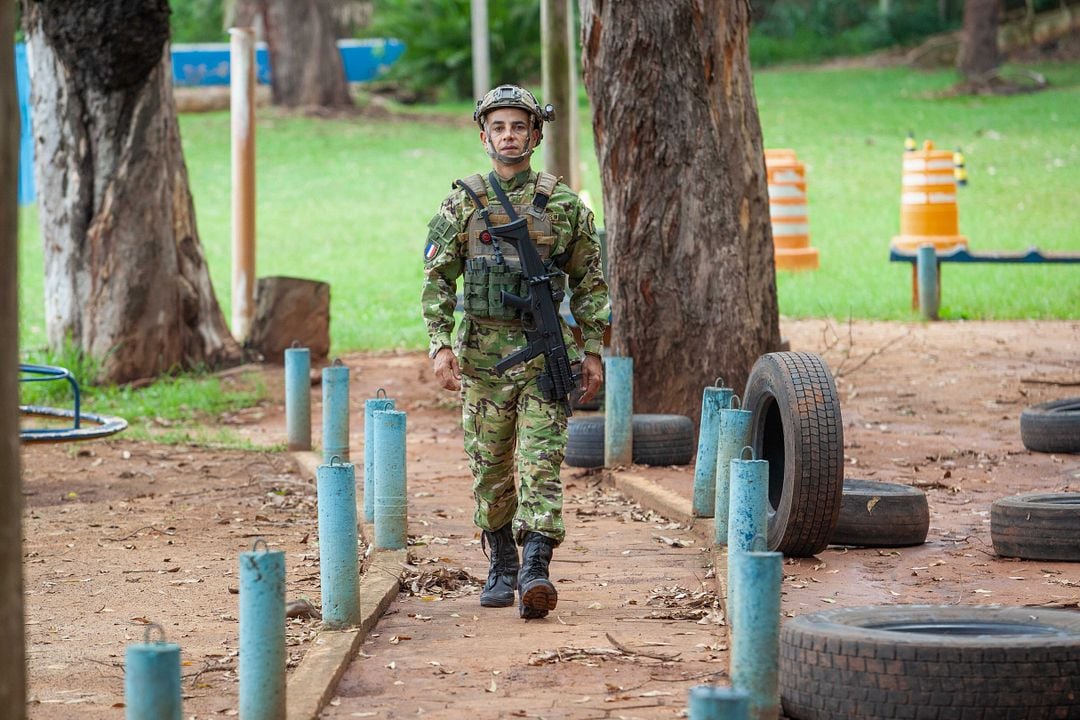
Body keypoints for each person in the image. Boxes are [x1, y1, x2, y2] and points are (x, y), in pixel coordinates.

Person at [420, 85, 610, 619]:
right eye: (499, 127)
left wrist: (591, 350)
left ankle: (536, 568)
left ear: (536, 134)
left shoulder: (565, 205)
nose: (509, 136)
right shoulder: (463, 202)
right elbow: (437, 280)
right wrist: (439, 345)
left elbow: (590, 282)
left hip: (544, 353)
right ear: (484, 136)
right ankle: (501, 559)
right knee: (491, 468)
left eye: (519, 127)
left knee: (542, 463)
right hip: (482, 358)